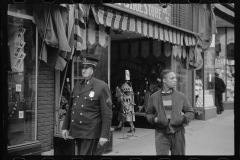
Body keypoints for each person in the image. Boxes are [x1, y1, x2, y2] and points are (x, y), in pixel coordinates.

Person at [61, 55, 112, 155]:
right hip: (78, 130)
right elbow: (71, 108)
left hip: (91, 132)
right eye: (82, 68)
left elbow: (107, 114)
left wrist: (104, 135)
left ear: (93, 69)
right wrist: (65, 127)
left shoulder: (101, 86)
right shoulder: (77, 85)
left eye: (87, 68)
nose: (83, 70)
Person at [145, 69, 194, 155]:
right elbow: (148, 113)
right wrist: (155, 120)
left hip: (178, 133)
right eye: (172, 78)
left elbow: (190, 112)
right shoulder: (154, 97)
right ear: (164, 80)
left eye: (175, 78)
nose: (175, 80)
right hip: (161, 134)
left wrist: (182, 118)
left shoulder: (180, 96)